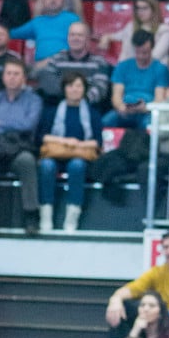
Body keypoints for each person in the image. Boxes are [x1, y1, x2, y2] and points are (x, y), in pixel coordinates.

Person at [0, 58, 43, 235]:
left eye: (16, 74)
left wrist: (0, 124)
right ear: (3, 77)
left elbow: (28, 125)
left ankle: (31, 216)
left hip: (19, 150)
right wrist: (8, 124)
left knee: (27, 161)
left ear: (24, 77)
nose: (12, 77)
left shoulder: (34, 100)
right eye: (9, 73)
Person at [38, 71, 102, 233]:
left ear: (84, 89)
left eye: (79, 86)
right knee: (46, 165)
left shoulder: (92, 113)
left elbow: (97, 141)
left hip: (80, 155)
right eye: (71, 86)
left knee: (77, 166)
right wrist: (65, 141)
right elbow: (41, 136)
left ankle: (72, 216)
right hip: (55, 153)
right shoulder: (52, 112)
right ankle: (46, 214)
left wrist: (77, 145)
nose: (75, 89)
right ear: (64, 89)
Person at [33, 21, 110, 123]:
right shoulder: (56, 59)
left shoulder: (99, 62)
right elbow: (48, 83)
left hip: (88, 109)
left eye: (80, 35)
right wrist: (68, 99)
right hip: (58, 107)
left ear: (88, 39)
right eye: (72, 35)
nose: (75, 38)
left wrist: (77, 100)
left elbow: (100, 89)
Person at [101, 29, 169, 131]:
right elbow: (116, 95)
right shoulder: (122, 66)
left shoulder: (160, 69)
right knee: (105, 122)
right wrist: (121, 107)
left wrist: (145, 108)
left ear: (152, 48)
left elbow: (159, 99)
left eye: (145, 52)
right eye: (138, 52)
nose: (141, 56)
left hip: (147, 111)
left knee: (149, 125)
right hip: (125, 110)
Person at [106, 230, 169, 326]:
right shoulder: (157, 273)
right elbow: (131, 289)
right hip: (165, 323)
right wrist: (115, 299)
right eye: (166, 247)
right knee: (124, 307)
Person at [99, 0, 169, 65]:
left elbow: (155, 56)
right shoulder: (131, 26)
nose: (140, 12)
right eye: (138, 8)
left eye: (145, 8)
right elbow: (115, 36)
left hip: (153, 72)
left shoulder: (164, 30)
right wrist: (106, 37)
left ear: (154, 10)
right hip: (127, 70)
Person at [10, 0, 80, 62]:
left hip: (64, 63)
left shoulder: (73, 19)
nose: (53, 0)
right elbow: (12, 34)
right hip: (41, 67)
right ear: (43, 0)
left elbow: (83, 41)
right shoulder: (37, 21)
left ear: (63, 0)